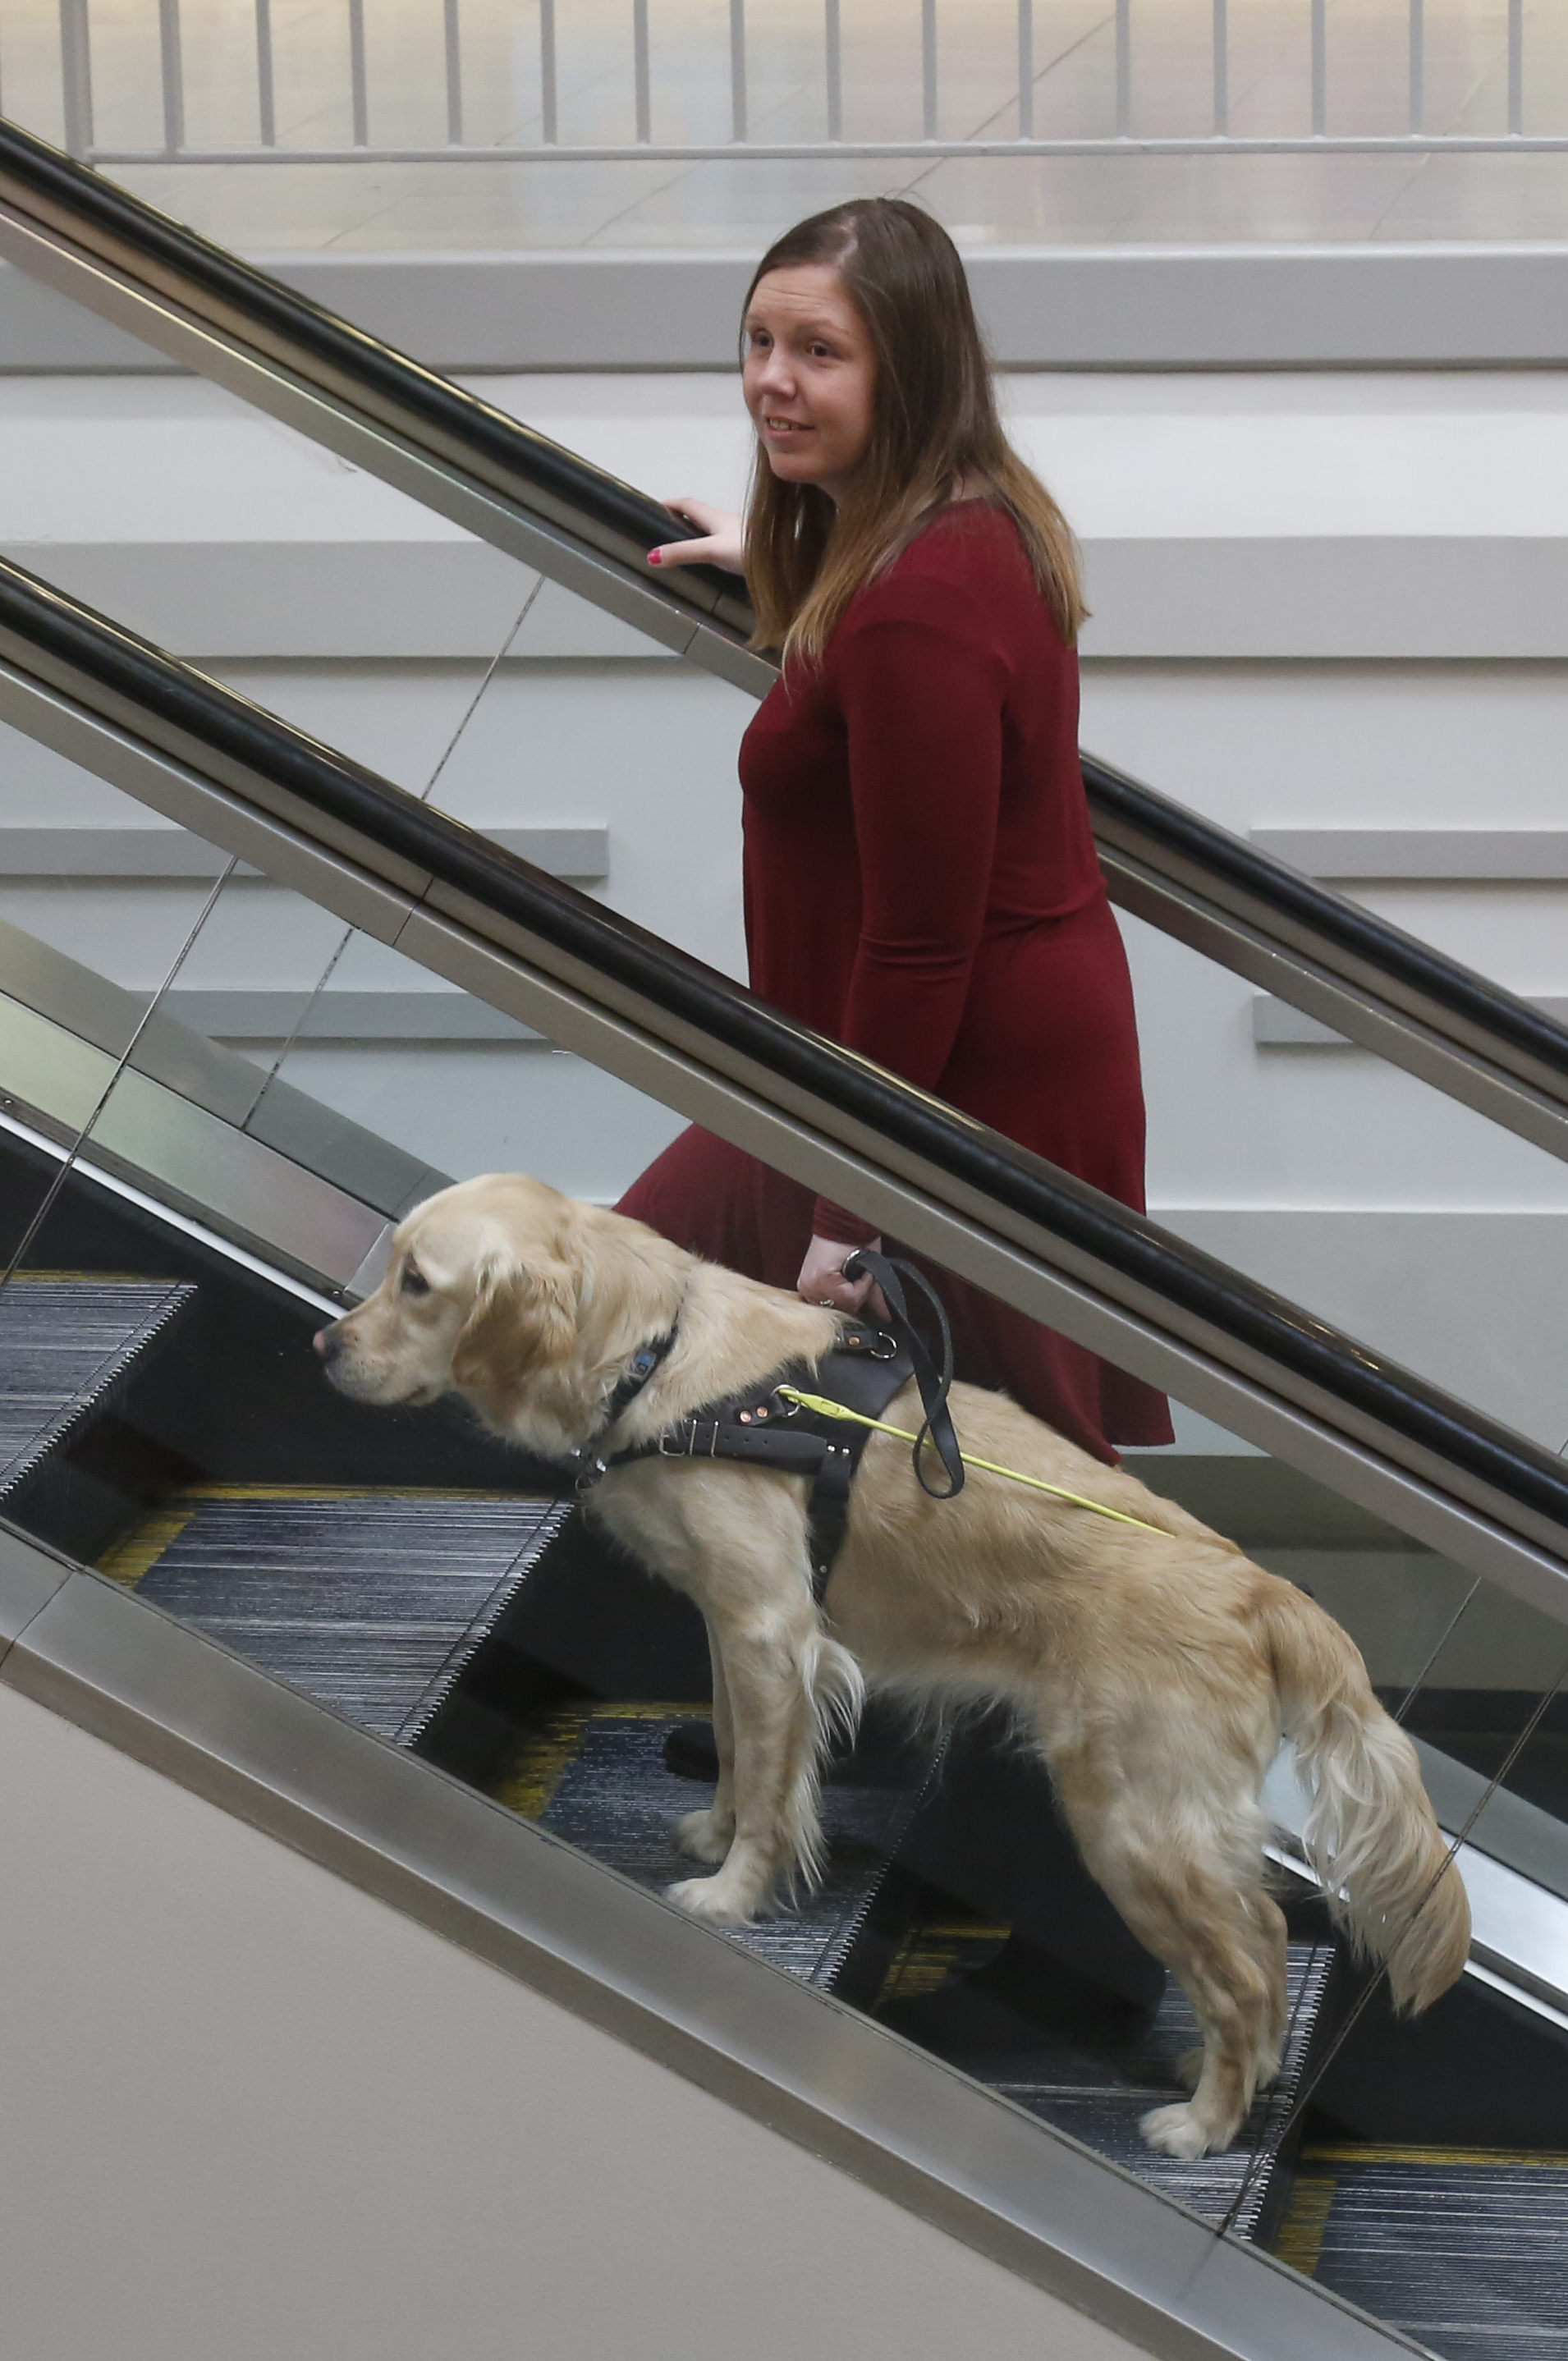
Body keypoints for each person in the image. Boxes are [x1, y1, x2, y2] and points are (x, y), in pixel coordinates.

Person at [621, 196, 1171, 1465]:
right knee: (970, 1481)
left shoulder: (913, 604)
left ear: (906, 371)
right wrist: (790, 566)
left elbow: (921, 942)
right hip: (892, 1080)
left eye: (820, 352)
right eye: (758, 342)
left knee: (1004, 1494)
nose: (772, 381)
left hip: (949, 1091)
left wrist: (849, 1212)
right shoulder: (950, 534)